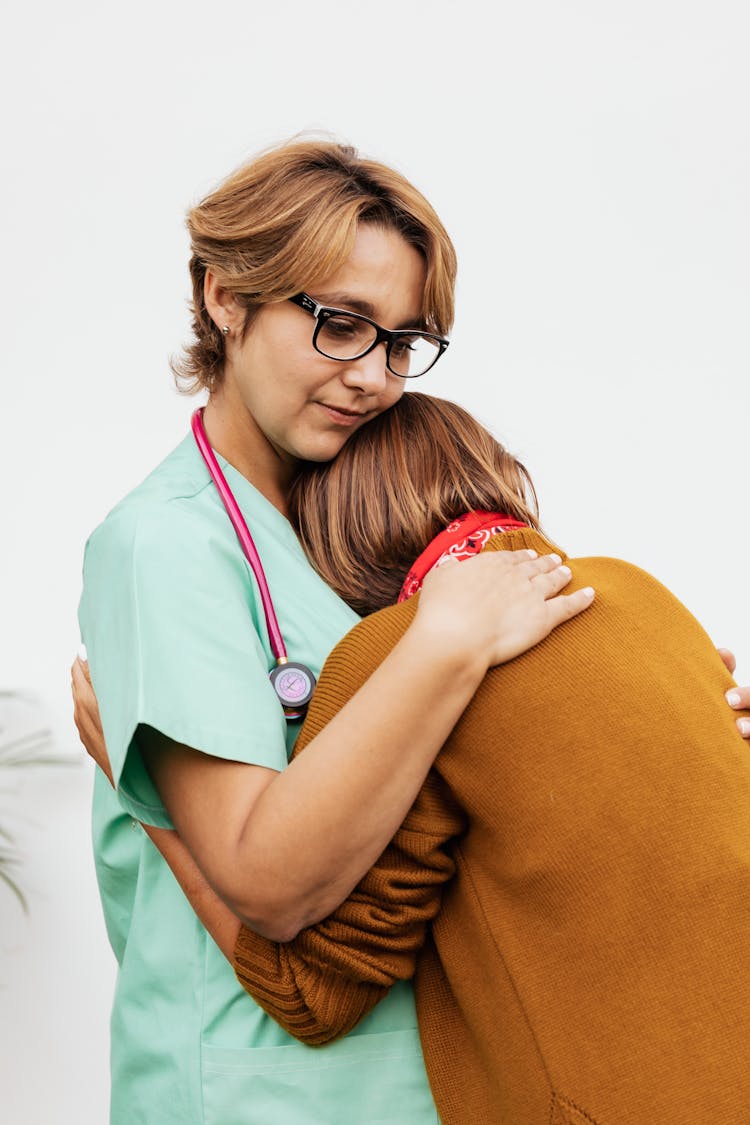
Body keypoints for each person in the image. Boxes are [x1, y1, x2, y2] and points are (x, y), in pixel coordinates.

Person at [74, 138, 596, 1125]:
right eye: (342, 326)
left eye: (400, 343)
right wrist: (449, 643)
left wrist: (643, 704)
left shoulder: (366, 522)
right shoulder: (162, 549)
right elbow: (271, 884)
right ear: (227, 298)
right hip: (259, 1094)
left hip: (431, 1084)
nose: (376, 378)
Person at [78, 390, 750, 1124]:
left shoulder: (401, 655)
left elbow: (311, 993)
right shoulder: (648, 598)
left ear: (332, 540)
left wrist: (149, 792)